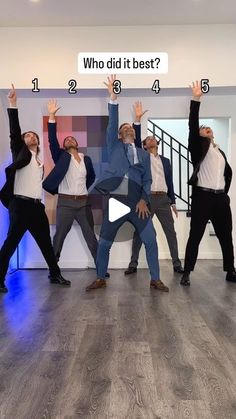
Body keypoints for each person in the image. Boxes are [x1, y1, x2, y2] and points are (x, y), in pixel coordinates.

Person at [85, 75, 169, 292]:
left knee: (150, 240)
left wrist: (144, 199)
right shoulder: (114, 146)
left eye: (131, 127)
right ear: (120, 135)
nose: (129, 128)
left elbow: (148, 180)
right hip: (116, 200)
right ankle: (100, 277)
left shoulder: (143, 154)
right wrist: (113, 98)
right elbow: (113, 124)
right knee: (104, 243)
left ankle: (155, 279)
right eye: (125, 128)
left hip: (138, 202)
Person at [0, 85, 71, 293]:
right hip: (20, 205)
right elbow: (14, 132)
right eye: (27, 135)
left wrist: (51, 116)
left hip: (36, 207)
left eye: (33, 135)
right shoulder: (21, 154)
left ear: (37, 142)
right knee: (10, 243)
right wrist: (13, 105)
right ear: (23, 142)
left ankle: (54, 273)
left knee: (46, 244)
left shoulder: (38, 161)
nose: (31, 136)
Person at [181, 80, 236, 286]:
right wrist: (196, 99)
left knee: (225, 237)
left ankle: (230, 270)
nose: (207, 129)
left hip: (220, 198)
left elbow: (226, 175)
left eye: (209, 128)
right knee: (195, 235)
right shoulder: (197, 147)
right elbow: (192, 124)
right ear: (199, 134)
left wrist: (225, 194)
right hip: (203, 196)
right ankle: (187, 272)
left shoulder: (219, 152)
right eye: (204, 128)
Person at [43, 100, 103, 270]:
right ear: (64, 146)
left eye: (72, 139)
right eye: (67, 139)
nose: (69, 140)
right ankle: (54, 270)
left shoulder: (86, 159)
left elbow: (91, 177)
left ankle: (100, 267)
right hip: (65, 203)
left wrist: (84, 190)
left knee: (90, 236)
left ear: (77, 144)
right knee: (59, 236)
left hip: (84, 203)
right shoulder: (61, 156)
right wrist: (52, 116)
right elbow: (52, 141)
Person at [125, 122, 183, 275]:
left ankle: (177, 264)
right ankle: (133, 264)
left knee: (170, 232)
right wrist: (136, 120)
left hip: (164, 199)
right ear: (143, 146)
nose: (151, 139)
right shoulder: (141, 157)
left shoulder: (166, 161)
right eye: (148, 139)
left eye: (153, 138)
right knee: (139, 231)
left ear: (157, 143)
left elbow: (169, 181)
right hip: (146, 199)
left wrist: (173, 202)